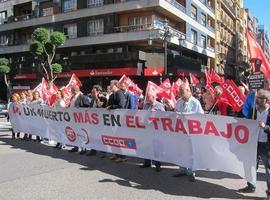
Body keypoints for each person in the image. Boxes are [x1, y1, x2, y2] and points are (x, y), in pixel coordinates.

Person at [238, 89, 270, 200]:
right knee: (251, 166)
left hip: (266, 145)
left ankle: (269, 193)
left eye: (260, 99)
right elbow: (247, 122)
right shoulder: (253, 110)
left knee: (268, 169)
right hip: (254, 143)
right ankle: (251, 186)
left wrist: (265, 127)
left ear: (266, 100)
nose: (257, 101)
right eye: (257, 99)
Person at [173, 83, 204, 182]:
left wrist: (187, 115)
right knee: (181, 150)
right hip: (181, 131)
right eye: (180, 92)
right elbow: (175, 112)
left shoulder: (195, 102)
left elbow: (201, 115)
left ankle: (191, 172)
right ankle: (182, 169)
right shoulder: (179, 101)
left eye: (182, 92)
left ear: (188, 91)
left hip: (191, 132)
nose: (181, 94)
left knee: (191, 152)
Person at [140, 90, 165, 172]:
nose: (146, 98)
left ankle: (157, 165)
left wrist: (156, 114)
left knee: (156, 147)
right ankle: (147, 162)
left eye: (148, 96)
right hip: (147, 129)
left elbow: (164, 117)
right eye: (146, 96)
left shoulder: (159, 106)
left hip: (156, 130)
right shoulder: (145, 105)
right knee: (146, 145)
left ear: (154, 97)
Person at [107, 80, 127, 162]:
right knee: (113, 137)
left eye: (111, 84)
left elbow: (121, 105)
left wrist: (111, 107)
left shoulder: (119, 93)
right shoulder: (112, 94)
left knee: (118, 137)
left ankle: (122, 156)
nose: (110, 86)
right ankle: (116, 154)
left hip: (118, 119)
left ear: (115, 85)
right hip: (113, 119)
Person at [86, 85, 108, 157]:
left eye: (94, 92)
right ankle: (93, 150)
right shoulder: (92, 99)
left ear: (98, 91)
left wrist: (97, 98)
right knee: (92, 135)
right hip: (93, 121)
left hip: (100, 121)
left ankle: (103, 151)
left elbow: (101, 107)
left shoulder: (103, 98)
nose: (92, 93)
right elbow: (91, 107)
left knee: (101, 136)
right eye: (92, 92)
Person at [69, 85, 91, 153]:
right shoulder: (72, 97)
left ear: (75, 90)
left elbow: (87, 106)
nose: (70, 91)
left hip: (80, 119)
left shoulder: (82, 97)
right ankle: (76, 146)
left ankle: (83, 148)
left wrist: (80, 108)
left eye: (71, 90)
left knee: (81, 133)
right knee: (75, 132)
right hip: (73, 118)